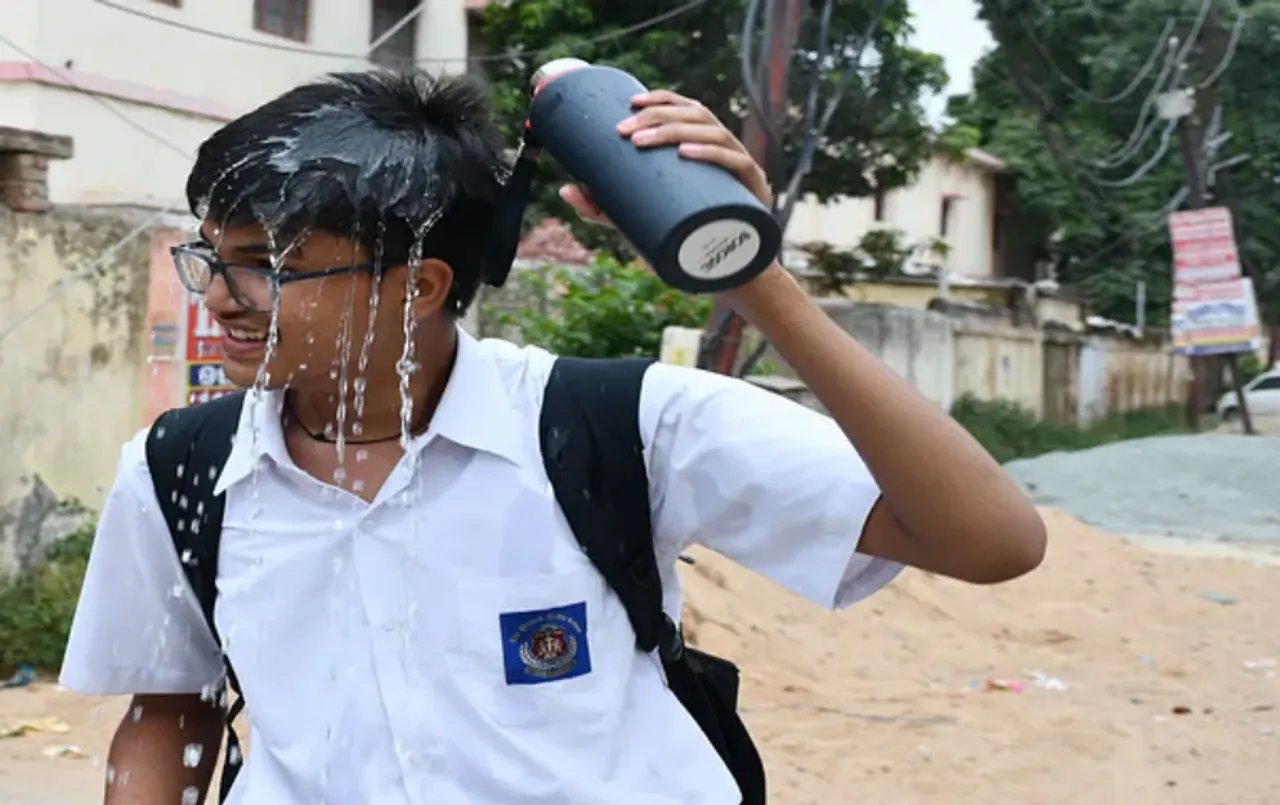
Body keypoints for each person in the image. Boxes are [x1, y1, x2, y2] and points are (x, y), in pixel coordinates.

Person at [59, 69, 1046, 804]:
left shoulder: (613, 427)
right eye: (211, 256)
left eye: (268, 265)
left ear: (418, 286)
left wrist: (751, 277)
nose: (220, 297)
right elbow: (170, 709)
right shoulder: (180, 470)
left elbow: (991, 539)